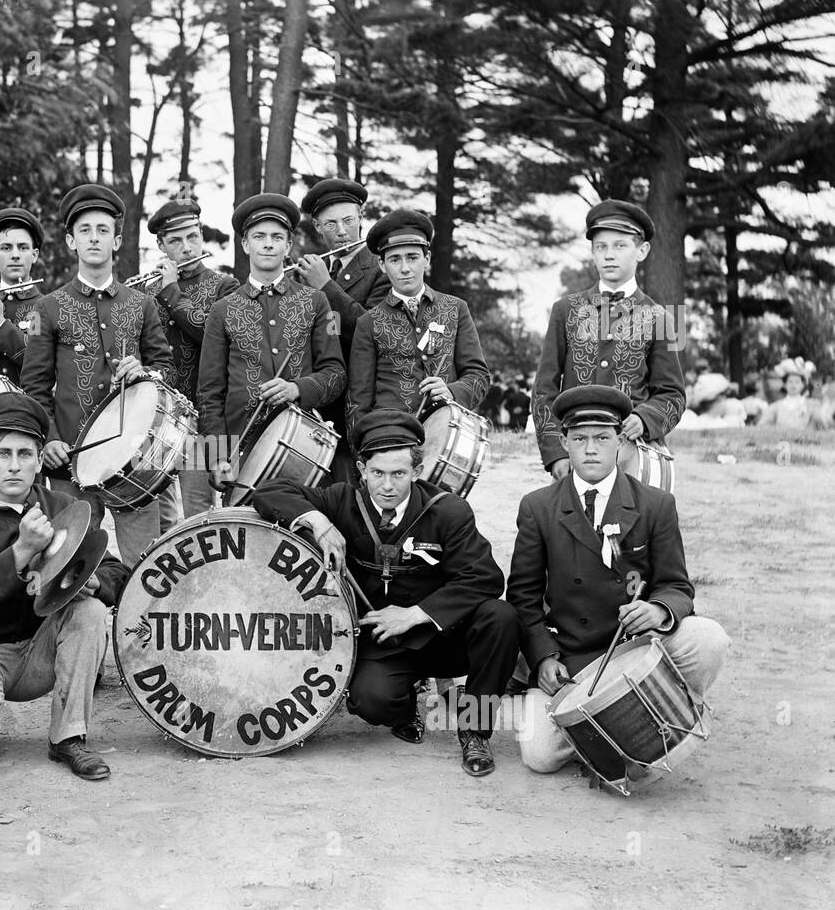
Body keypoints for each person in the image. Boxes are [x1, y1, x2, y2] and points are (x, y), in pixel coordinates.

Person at [251, 409, 518, 776]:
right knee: (369, 700)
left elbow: (486, 577)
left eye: (399, 474)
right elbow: (268, 492)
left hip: (444, 636)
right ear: (361, 469)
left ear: (417, 471)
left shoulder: (448, 511)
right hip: (384, 644)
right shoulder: (341, 500)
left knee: (500, 618)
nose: (388, 485)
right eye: (377, 473)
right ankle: (407, 707)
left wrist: (414, 614)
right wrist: (317, 520)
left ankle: (475, 729)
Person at [507, 386, 728, 776]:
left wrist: (658, 610)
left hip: (637, 651)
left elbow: (678, 587)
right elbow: (522, 598)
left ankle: (663, 714)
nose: (591, 449)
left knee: (709, 638)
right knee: (539, 756)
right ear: (565, 443)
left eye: (602, 438)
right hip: (573, 659)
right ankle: (616, 728)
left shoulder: (656, 504)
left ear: (622, 444)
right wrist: (542, 657)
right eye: (579, 439)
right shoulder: (538, 507)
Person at [0, 394, 128, 780]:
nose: (14, 466)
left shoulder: (63, 506)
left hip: (42, 650)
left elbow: (116, 574)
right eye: (3, 454)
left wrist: (91, 581)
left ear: (40, 461)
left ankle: (68, 738)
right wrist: (21, 551)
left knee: (89, 611)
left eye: (25, 454)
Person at [20, 183, 175, 564]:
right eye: (85, 230)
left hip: (134, 457)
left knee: (145, 564)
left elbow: (167, 371)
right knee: (67, 564)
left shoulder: (143, 305)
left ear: (117, 241)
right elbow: (34, 386)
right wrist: (49, 439)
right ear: (71, 241)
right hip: (69, 458)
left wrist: (146, 373)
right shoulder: (46, 307)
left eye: (103, 230)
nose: (94, 238)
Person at [532, 200, 685, 478]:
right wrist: (556, 453)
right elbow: (544, 390)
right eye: (601, 247)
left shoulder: (664, 317)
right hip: (575, 449)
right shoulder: (564, 310)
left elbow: (673, 395)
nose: (609, 255)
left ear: (642, 251)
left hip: (630, 451)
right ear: (592, 252)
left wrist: (644, 418)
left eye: (620, 246)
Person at [196, 193, 346, 476]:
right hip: (241, 452)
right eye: (259, 236)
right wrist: (216, 459)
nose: (267, 244)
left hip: (302, 448)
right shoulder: (221, 310)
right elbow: (209, 392)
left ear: (288, 245)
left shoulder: (319, 303)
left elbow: (336, 372)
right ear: (245, 244)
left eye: (277, 237)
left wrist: (297, 389)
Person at [347, 208, 489, 432]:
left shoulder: (456, 309)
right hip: (390, 436)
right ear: (382, 266)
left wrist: (452, 391)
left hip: (447, 433)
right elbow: (358, 400)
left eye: (412, 257)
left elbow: (479, 376)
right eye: (395, 259)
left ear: (427, 259)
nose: (405, 268)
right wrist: (366, 453)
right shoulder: (368, 323)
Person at [144, 197, 241, 516]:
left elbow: (214, 335)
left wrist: (171, 292)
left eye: (193, 237)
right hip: (156, 420)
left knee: (199, 511)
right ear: (161, 245)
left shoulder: (225, 286)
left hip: (204, 419)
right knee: (158, 512)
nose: (186, 248)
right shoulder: (145, 292)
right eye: (175, 241)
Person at [293, 177, 391, 481]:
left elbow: (373, 328)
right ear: (318, 227)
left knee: (352, 486)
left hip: (360, 399)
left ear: (361, 218)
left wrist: (326, 286)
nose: (342, 231)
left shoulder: (381, 266)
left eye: (349, 220)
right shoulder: (308, 270)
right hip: (320, 398)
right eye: (331, 224)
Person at [0, 207, 45, 385]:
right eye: (6, 248)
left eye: (23, 247)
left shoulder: (44, 307)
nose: (15, 255)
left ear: (34, 255)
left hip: (28, 409)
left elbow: (38, 362)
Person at [759, 356, 831, 431]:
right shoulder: (775, 407)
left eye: (797, 382)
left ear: (803, 384)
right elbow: (762, 428)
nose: (793, 385)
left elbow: (824, 426)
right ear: (784, 384)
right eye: (790, 382)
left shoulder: (812, 405)